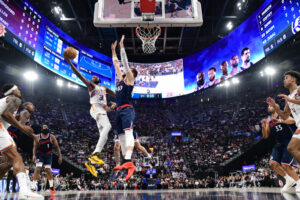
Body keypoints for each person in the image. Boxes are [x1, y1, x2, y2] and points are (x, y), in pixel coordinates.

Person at [64, 50, 116, 178]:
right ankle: (94, 155)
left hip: (102, 110)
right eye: (92, 77)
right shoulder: (91, 86)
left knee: (104, 136)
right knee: (108, 128)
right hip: (95, 109)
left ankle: (90, 162)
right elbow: (79, 75)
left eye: (94, 76)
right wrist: (69, 62)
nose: (93, 77)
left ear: (99, 79)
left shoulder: (104, 88)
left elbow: (112, 100)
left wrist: (114, 106)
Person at [0, 84, 43, 199]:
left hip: (4, 130)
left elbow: (10, 116)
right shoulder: (15, 99)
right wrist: (22, 127)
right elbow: (6, 115)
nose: (19, 91)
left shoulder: (8, 101)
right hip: (3, 130)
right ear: (13, 91)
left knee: (9, 162)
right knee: (16, 159)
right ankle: (24, 191)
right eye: (17, 89)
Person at [267, 70, 300, 192]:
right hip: (299, 125)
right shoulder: (289, 97)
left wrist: (290, 100)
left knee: (291, 147)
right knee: (292, 148)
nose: (284, 80)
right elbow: (285, 115)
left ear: (293, 79)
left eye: (286, 77)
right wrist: (275, 106)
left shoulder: (299, 90)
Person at [111, 35, 138, 181]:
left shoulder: (130, 80)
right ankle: (125, 162)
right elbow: (116, 64)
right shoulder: (121, 81)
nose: (126, 72)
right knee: (120, 137)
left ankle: (129, 161)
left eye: (129, 71)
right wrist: (113, 51)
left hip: (127, 109)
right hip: (118, 111)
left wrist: (122, 46)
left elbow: (125, 64)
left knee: (128, 134)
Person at [261, 106, 299, 192]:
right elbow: (265, 135)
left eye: (270, 105)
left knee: (285, 165)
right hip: (278, 144)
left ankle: (299, 182)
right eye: (268, 107)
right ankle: (289, 180)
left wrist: (280, 121)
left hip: (289, 142)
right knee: (272, 164)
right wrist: (263, 126)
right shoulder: (269, 120)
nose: (269, 107)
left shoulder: (281, 115)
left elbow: (293, 121)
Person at [31, 125, 62, 194]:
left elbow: (57, 147)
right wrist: (33, 155)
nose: (45, 129)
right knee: (38, 168)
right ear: (41, 130)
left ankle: (51, 186)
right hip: (40, 154)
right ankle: (33, 185)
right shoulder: (37, 137)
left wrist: (60, 156)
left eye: (46, 128)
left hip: (48, 155)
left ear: (48, 129)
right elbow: (35, 147)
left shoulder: (51, 137)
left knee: (48, 170)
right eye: (44, 129)